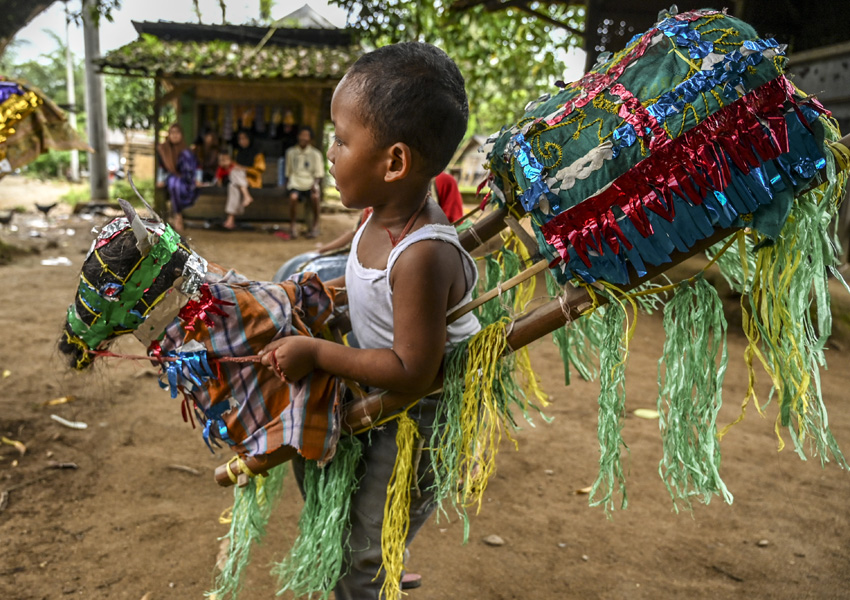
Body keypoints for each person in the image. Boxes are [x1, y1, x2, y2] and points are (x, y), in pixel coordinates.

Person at [260, 42, 480, 599]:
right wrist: (318, 296)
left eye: (340, 138)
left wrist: (317, 354)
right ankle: (380, 554)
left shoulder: (422, 253)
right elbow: (364, 290)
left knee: (362, 553)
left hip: (420, 418)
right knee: (345, 513)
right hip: (383, 396)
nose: (330, 152)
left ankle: (374, 569)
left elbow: (412, 369)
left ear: (395, 162)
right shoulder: (380, 217)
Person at [156, 123, 199, 233]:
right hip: (171, 177)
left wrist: (197, 179)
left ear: (181, 135)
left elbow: (196, 167)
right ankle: (177, 216)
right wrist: (160, 180)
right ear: (169, 135)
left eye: (177, 133)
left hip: (188, 180)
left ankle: (179, 215)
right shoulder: (164, 149)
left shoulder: (187, 151)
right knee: (174, 183)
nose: (175, 135)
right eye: (172, 133)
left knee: (179, 184)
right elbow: (162, 167)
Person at [284, 126, 324, 238]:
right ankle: (293, 226)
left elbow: (318, 174)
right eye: (302, 135)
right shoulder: (291, 152)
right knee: (293, 197)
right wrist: (287, 184)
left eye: (306, 135)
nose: (303, 138)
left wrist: (315, 185)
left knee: (315, 197)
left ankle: (315, 225)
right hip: (295, 182)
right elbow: (288, 171)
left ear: (310, 138)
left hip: (310, 183)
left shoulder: (316, 154)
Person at [223, 129, 265, 230]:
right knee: (232, 185)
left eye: (244, 138)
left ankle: (231, 217)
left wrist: (244, 169)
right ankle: (232, 217)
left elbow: (259, 171)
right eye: (240, 139)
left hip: (252, 179)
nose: (242, 141)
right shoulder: (239, 152)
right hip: (240, 181)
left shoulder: (257, 153)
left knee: (235, 176)